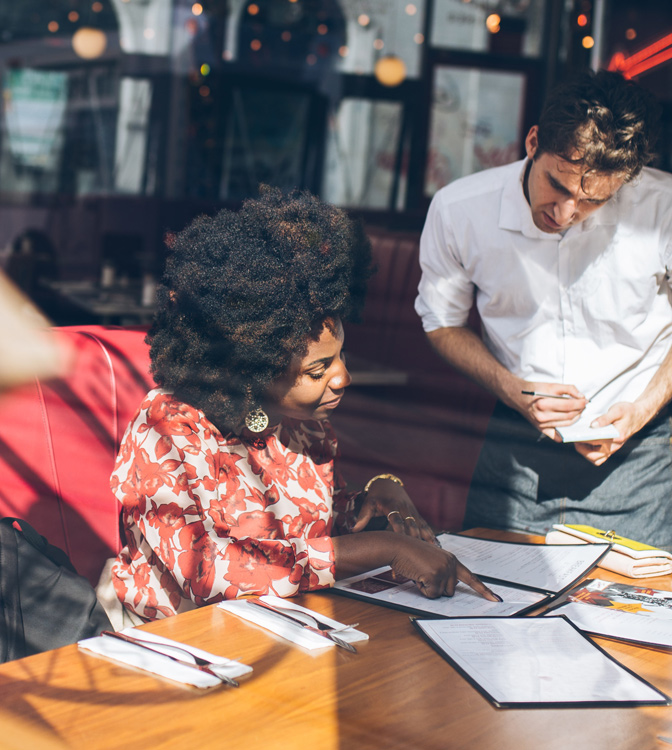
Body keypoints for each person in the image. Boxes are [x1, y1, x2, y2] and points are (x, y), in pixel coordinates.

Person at [108, 187, 498, 621]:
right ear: (251, 368)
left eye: (342, 356)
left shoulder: (303, 425)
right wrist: (383, 548)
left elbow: (311, 529)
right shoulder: (166, 430)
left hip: (281, 632)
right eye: (319, 370)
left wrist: (372, 498)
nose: (343, 378)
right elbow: (204, 571)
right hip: (176, 646)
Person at [415, 70, 672, 548]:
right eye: (558, 184)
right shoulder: (459, 209)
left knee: (632, 617)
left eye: (594, 201)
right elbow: (442, 322)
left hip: (639, 459)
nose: (566, 212)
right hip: (514, 454)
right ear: (533, 141)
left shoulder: (664, 209)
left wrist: (638, 412)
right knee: (488, 608)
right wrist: (512, 389)